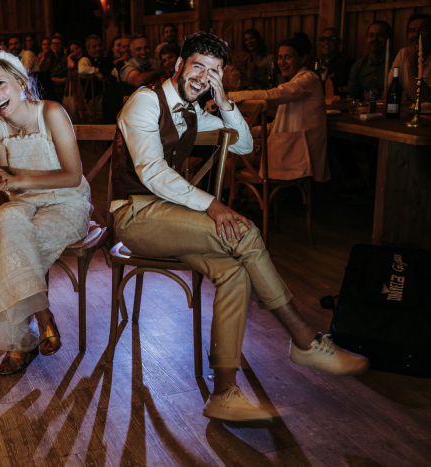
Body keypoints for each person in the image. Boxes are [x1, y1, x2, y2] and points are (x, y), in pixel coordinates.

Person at [113, 31, 367, 423]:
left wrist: (226, 102)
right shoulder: (145, 101)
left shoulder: (196, 107)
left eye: (214, 71)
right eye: (198, 66)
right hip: (135, 215)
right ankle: (303, 338)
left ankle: (224, 393)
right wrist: (213, 205)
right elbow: (153, 173)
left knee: (234, 272)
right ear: (179, 65)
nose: (203, 76)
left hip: (171, 218)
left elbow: (244, 145)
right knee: (243, 230)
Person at [0, 49, 92, 375]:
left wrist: (15, 178)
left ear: (21, 82)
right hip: (25, 203)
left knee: (8, 246)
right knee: (7, 219)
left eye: (0, 82)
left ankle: (19, 342)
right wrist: (1, 181)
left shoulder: (50, 112)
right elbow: (14, 188)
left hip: (68, 202)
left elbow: (72, 176)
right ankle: (43, 315)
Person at [229, 36, 330, 183]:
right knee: (229, 153)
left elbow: (272, 94)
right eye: (280, 57)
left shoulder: (308, 79)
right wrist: (250, 130)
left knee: (230, 154)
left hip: (299, 153)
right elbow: (277, 125)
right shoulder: (295, 82)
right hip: (291, 147)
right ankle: (248, 198)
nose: (282, 62)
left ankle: (244, 199)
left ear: (303, 58)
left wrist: (228, 97)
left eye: (288, 57)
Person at [387, 13, 431, 102]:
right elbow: (390, 90)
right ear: (407, 36)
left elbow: (423, 99)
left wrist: (411, 65)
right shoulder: (403, 53)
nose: (417, 34)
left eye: (423, 29)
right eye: (412, 30)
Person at [348, 21, 393, 100]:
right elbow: (353, 97)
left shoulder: (397, 61)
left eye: (381, 35)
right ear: (366, 39)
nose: (375, 39)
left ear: (389, 38)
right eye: (371, 35)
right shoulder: (358, 66)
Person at [316, 27, 354, 96]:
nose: (326, 41)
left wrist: (314, 83)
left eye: (331, 39)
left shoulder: (345, 61)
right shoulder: (315, 62)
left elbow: (334, 86)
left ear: (339, 43)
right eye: (323, 39)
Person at [49, 37, 68, 101]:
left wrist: (62, 80)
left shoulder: (65, 58)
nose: (55, 45)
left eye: (58, 43)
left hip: (62, 89)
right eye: (53, 43)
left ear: (62, 46)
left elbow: (72, 75)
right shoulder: (51, 59)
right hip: (52, 88)